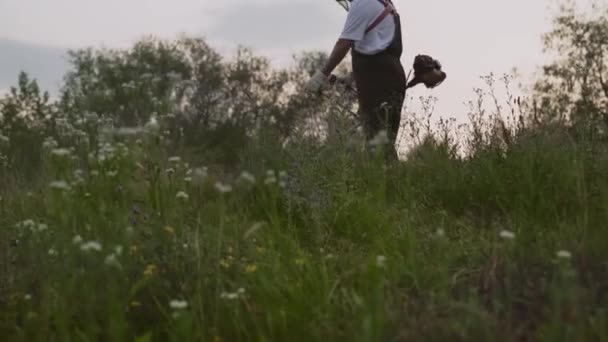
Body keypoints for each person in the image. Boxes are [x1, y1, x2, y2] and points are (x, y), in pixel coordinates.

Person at [307, 0, 406, 161]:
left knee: (378, 147)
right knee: (383, 144)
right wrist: (352, 77)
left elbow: (343, 43)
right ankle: (390, 183)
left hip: (378, 83)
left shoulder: (362, 3)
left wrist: (321, 75)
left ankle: (387, 184)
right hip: (390, 77)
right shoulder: (383, 3)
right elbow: (379, 46)